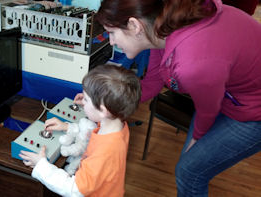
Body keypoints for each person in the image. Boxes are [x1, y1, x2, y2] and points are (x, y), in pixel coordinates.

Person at [83, 0, 261, 196]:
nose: (111, 42)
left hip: (253, 109)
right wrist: (102, 99)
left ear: (135, 26)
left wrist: (197, 138)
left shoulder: (191, 63)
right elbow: (152, 83)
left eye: (112, 33)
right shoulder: (161, 30)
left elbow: (208, 109)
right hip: (226, 94)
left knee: (189, 172)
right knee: (188, 164)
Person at [19, 64, 142, 197]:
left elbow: (74, 189)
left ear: (103, 110)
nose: (82, 102)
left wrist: (41, 165)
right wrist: (68, 127)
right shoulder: (117, 124)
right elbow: (92, 134)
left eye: (86, 99)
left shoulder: (106, 151)